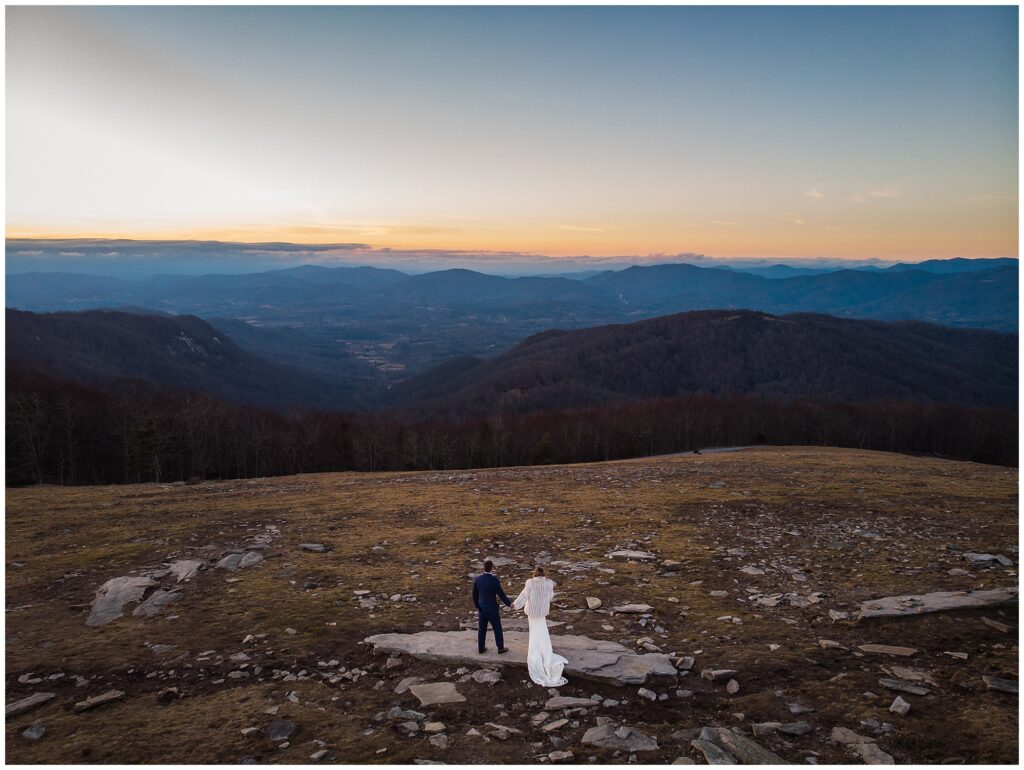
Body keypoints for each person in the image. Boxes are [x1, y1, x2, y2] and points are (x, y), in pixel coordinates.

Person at [512, 567, 568, 687]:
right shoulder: (548, 583)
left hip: (532, 613)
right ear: (543, 575)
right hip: (541, 612)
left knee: (534, 632)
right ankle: (544, 651)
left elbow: (523, 596)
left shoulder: (530, 583)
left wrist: (515, 605)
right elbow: (552, 590)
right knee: (542, 631)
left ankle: (535, 651)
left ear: (534, 574)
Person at [472, 559, 511, 654]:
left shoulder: (478, 579)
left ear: (483, 567)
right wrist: (509, 604)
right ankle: (500, 648)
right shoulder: (494, 580)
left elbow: (474, 594)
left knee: (482, 629)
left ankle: (481, 648)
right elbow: (501, 594)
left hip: (482, 608)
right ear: (492, 568)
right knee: (497, 628)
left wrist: (477, 606)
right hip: (492, 609)